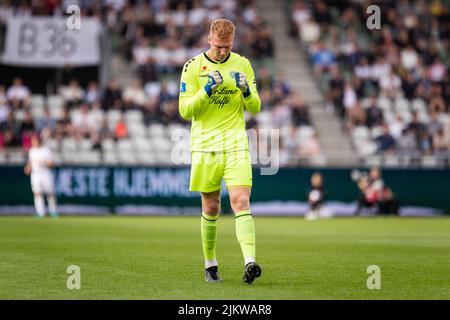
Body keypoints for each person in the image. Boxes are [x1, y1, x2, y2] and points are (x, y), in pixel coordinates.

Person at [178, 19, 261, 284]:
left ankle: (250, 262)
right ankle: (210, 265)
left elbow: (256, 107)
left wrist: (246, 90)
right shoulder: (193, 67)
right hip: (205, 145)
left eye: (227, 47)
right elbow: (184, 110)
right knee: (211, 206)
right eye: (219, 46)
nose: (223, 52)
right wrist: (205, 90)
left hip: (236, 143)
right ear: (209, 39)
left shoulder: (243, 64)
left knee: (240, 201)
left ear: (232, 42)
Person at [24, 135, 58, 218]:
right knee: (37, 193)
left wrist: (44, 163)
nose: (33, 142)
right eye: (32, 141)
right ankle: (40, 212)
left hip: (45, 173)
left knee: (50, 193)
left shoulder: (46, 150)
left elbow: (51, 163)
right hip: (35, 174)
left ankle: (53, 211)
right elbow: (31, 162)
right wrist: (28, 168)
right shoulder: (31, 151)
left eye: (35, 140)